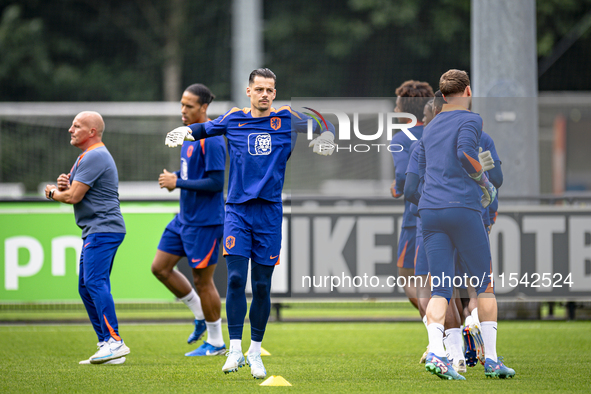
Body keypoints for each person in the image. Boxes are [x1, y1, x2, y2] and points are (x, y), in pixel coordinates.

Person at [165, 68, 335, 379]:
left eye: (270, 89)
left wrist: (327, 138)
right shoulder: (233, 118)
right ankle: (233, 349)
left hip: (269, 213)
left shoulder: (287, 118)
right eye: (259, 89)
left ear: (275, 92)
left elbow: (326, 123)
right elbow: (205, 129)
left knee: (261, 285)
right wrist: (184, 132)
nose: (265, 94)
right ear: (249, 91)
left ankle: (255, 352)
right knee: (234, 280)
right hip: (237, 212)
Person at [416, 69, 514, 380]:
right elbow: (465, 154)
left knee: (441, 288)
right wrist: (485, 182)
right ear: (468, 91)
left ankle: (436, 351)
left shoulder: (428, 128)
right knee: (483, 286)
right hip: (463, 208)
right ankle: (493, 361)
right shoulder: (471, 120)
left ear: (442, 96)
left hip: (430, 212)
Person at [45, 111, 129, 365]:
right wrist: (65, 185)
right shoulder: (89, 156)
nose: (71, 129)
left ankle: (115, 342)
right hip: (99, 229)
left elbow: (73, 197)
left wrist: (51, 193)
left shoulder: (95, 155)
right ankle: (106, 344)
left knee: (94, 282)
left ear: (92, 132)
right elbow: (73, 191)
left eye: (77, 126)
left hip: (103, 229)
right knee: (86, 286)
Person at [151, 83, 227, 356]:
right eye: (182, 104)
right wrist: (175, 178)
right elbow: (192, 172)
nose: (183, 110)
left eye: (189, 106)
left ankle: (216, 342)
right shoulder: (187, 136)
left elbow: (217, 183)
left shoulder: (213, 139)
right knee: (160, 267)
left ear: (203, 108)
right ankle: (198, 314)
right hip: (184, 219)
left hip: (206, 222)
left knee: (203, 281)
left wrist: (179, 182)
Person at [389, 80, 434, 311]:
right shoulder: (438, 132)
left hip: (415, 217)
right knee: (448, 283)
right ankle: (455, 333)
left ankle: (436, 328)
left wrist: (397, 187)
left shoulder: (401, 138)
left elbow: (404, 175)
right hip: (450, 210)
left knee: (408, 277)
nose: (396, 110)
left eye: (398, 106)